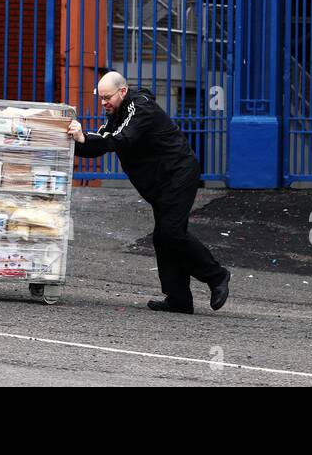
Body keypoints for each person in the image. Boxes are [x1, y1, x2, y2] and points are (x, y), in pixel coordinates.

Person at [68, 71, 231, 314]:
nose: (103, 103)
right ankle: (178, 299)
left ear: (122, 92)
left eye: (107, 98)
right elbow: (102, 141)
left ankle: (217, 276)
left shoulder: (140, 108)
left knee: (171, 232)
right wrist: (74, 142)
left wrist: (85, 138)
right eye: (100, 98)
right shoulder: (117, 114)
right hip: (158, 182)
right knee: (163, 237)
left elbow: (122, 140)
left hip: (178, 174)